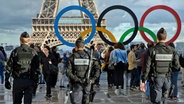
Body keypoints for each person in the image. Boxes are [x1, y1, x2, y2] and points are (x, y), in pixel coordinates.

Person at [141, 28, 180, 104]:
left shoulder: (151, 50)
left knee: (156, 100)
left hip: (156, 78)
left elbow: (147, 67)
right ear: (166, 38)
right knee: (164, 99)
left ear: (157, 38)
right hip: (167, 78)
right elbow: (177, 66)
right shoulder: (172, 50)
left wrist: (143, 80)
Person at [5, 32, 40, 104]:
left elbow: (9, 67)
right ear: (29, 40)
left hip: (18, 80)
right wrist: (36, 82)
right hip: (29, 80)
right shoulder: (33, 52)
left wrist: (6, 80)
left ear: (20, 40)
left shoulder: (15, 51)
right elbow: (37, 69)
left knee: (16, 102)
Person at [66, 37, 100, 104]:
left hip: (76, 83)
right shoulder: (91, 57)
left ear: (75, 47)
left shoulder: (72, 57)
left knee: (76, 101)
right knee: (86, 100)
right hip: (88, 83)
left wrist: (78, 79)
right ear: (84, 47)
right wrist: (92, 79)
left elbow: (68, 72)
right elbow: (97, 70)